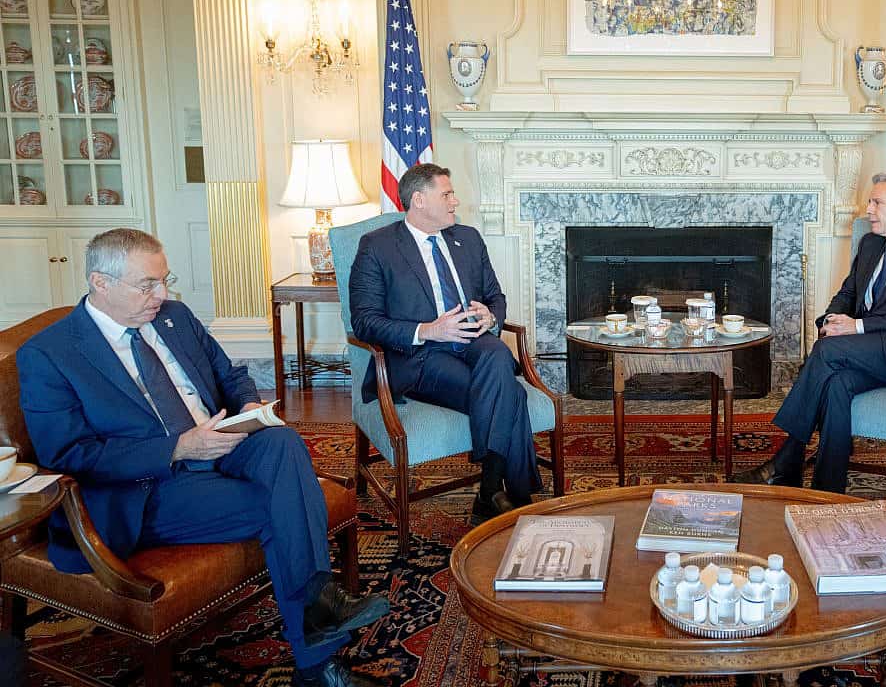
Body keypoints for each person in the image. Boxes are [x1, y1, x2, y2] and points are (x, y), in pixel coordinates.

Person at [17, 229, 387, 687]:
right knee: (280, 506)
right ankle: (317, 660)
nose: (162, 294)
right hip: (148, 488)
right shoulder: (50, 354)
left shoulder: (174, 317)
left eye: (164, 279)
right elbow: (70, 454)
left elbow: (230, 375)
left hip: (222, 443)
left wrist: (249, 406)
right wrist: (177, 448)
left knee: (282, 442)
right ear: (100, 282)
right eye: (147, 284)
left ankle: (317, 602)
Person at [733, 172, 886, 492]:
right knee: (837, 383)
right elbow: (848, 294)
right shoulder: (870, 244)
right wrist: (830, 321)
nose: (868, 209)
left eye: (876, 202)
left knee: (827, 353)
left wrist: (857, 326)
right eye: (870, 201)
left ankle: (787, 460)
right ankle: (829, 490)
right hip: (875, 351)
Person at [349, 163, 539, 523]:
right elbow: (365, 321)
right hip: (419, 355)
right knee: (509, 393)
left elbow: (494, 295)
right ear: (419, 200)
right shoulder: (377, 247)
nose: (455, 201)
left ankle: (488, 493)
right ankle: (508, 491)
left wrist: (490, 316)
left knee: (497, 353)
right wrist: (428, 330)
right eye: (446, 194)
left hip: (470, 340)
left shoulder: (467, 238)